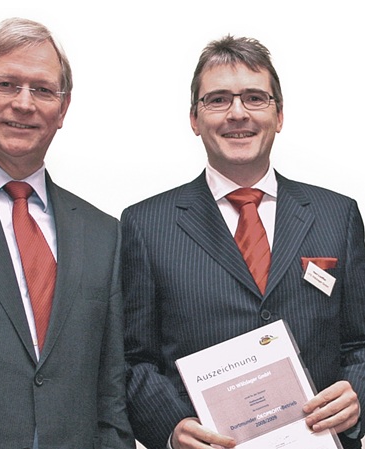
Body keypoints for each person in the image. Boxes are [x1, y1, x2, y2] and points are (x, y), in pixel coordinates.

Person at [122, 35, 365, 449]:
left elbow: (360, 342)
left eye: (255, 98)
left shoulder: (337, 215)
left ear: (279, 115)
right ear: (194, 119)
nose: (238, 113)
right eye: (218, 100)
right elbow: (133, 358)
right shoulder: (145, 225)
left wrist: (358, 393)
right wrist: (171, 428)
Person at [0, 17, 134, 449]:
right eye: (6, 85)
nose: (24, 103)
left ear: (63, 109)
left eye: (43, 90)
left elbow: (110, 392)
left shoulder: (102, 233)